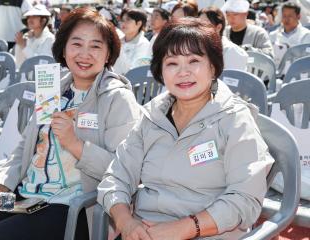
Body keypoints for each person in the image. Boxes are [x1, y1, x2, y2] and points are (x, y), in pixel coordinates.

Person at [97, 18, 274, 240]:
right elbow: (117, 175)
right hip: (144, 233)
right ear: (160, 71)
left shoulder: (235, 120)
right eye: (172, 63)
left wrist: (183, 228)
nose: (183, 72)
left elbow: (245, 198)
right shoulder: (151, 116)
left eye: (194, 60)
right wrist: (126, 222)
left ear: (213, 66)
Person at [0, 7, 140, 240]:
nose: (85, 54)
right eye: (76, 44)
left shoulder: (117, 98)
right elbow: (24, 150)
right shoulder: (52, 88)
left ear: (108, 54)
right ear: (63, 48)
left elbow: (125, 171)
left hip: (73, 207)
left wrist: (75, 144)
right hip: (26, 197)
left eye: (95, 46)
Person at [199, 6, 248, 70]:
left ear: (218, 27)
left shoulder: (231, 52)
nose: (200, 28)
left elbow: (232, 78)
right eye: (198, 24)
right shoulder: (197, 46)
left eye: (205, 25)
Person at [113, 8, 150, 75]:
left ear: (138, 24)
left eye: (128, 20)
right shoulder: (118, 41)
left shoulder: (144, 44)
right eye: (122, 20)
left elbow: (135, 71)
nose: (123, 23)